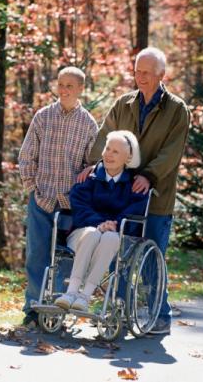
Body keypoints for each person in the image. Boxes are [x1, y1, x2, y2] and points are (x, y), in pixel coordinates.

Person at [79, 47, 190, 334]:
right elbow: (106, 135)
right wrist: (93, 163)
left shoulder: (176, 109)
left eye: (146, 73)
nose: (140, 77)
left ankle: (160, 315)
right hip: (122, 197)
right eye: (137, 71)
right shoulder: (124, 103)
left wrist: (150, 175)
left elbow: (172, 151)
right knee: (119, 254)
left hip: (155, 197)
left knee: (153, 259)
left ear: (160, 75)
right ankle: (119, 310)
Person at [18, 66, 99, 327]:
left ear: (80, 90)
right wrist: (32, 187)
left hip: (69, 203)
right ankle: (33, 308)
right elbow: (27, 154)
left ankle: (56, 309)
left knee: (64, 256)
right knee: (37, 254)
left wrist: (82, 193)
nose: (63, 90)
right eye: (61, 84)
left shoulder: (88, 123)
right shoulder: (43, 116)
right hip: (41, 198)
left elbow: (91, 165)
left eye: (70, 86)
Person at [55, 131, 147, 312]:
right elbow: (79, 208)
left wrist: (114, 225)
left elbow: (134, 212)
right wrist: (100, 224)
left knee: (111, 238)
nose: (108, 155)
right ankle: (71, 292)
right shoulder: (88, 178)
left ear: (128, 158)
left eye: (115, 152)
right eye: (107, 149)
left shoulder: (134, 185)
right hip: (82, 234)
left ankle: (85, 296)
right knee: (92, 233)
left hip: (114, 238)